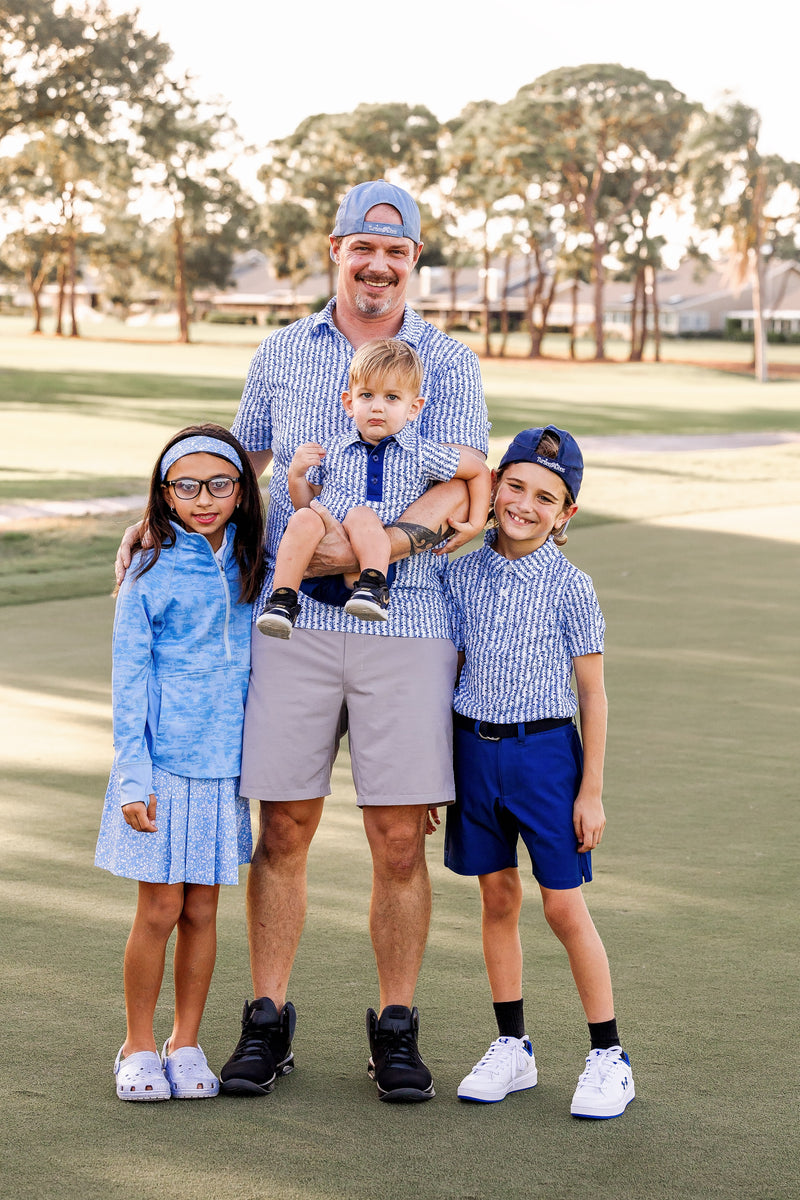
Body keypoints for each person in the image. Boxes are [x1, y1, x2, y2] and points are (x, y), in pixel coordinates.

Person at [114, 180, 489, 1103]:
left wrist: (381, 549)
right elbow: (236, 464)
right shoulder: (284, 351)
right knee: (282, 827)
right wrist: (150, 518)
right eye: (364, 248)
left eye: (397, 254)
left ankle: (394, 1028)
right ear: (335, 249)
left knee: (399, 839)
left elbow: (463, 495)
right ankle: (267, 1022)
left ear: (413, 262)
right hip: (288, 625)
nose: (379, 265)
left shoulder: (448, 360)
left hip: (404, 622)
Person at [444, 425, 635, 1118]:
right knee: (497, 898)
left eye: (545, 497)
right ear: (494, 485)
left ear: (566, 513)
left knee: (561, 905)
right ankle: (513, 1048)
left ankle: (609, 1055)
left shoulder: (570, 586)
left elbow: (593, 694)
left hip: (548, 759)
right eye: (515, 486)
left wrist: (591, 791)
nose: (524, 504)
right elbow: (451, 671)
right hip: (473, 753)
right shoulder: (456, 571)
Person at [97, 424, 265, 1102]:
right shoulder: (148, 568)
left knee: (202, 909)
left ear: (240, 491)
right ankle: (138, 1044)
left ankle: (185, 1041)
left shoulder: (258, 557)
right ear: (163, 495)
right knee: (161, 908)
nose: (204, 499)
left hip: (224, 768)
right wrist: (133, 775)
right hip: (160, 766)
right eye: (186, 486)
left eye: (220, 484)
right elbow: (128, 679)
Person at [256, 337, 490, 637]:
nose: (377, 407)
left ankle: (372, 590)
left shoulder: (421, 452)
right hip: (317, 566)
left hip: (371, 565)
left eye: (392, 398)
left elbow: (478, 471)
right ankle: (282, 601)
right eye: (367, 395)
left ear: (413, 408)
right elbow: (308, 505)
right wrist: (297, 477)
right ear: (349, 403)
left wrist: (476, 522)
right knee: (302, 519)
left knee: (361, 514)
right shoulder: (335, 448)